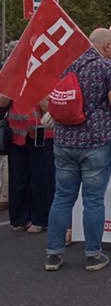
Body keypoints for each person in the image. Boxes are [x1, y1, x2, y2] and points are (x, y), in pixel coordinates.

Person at [44, 28, 111, 272]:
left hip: (64, 141)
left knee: (62, 198)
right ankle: (93, 255)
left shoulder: (69, 64)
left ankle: (53, 254)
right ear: (107, 47)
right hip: (95, 141)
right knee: (93, 200)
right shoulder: (106, 66)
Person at [0, 94, 54, 233]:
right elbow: (2, 102)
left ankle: (41, 219)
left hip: (41, 133)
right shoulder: (14, 75)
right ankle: (19, 218)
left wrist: (41, 97)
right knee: (18, 177)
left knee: (40, 178)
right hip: (16, 133)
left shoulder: (47, 77)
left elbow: (48, 108)